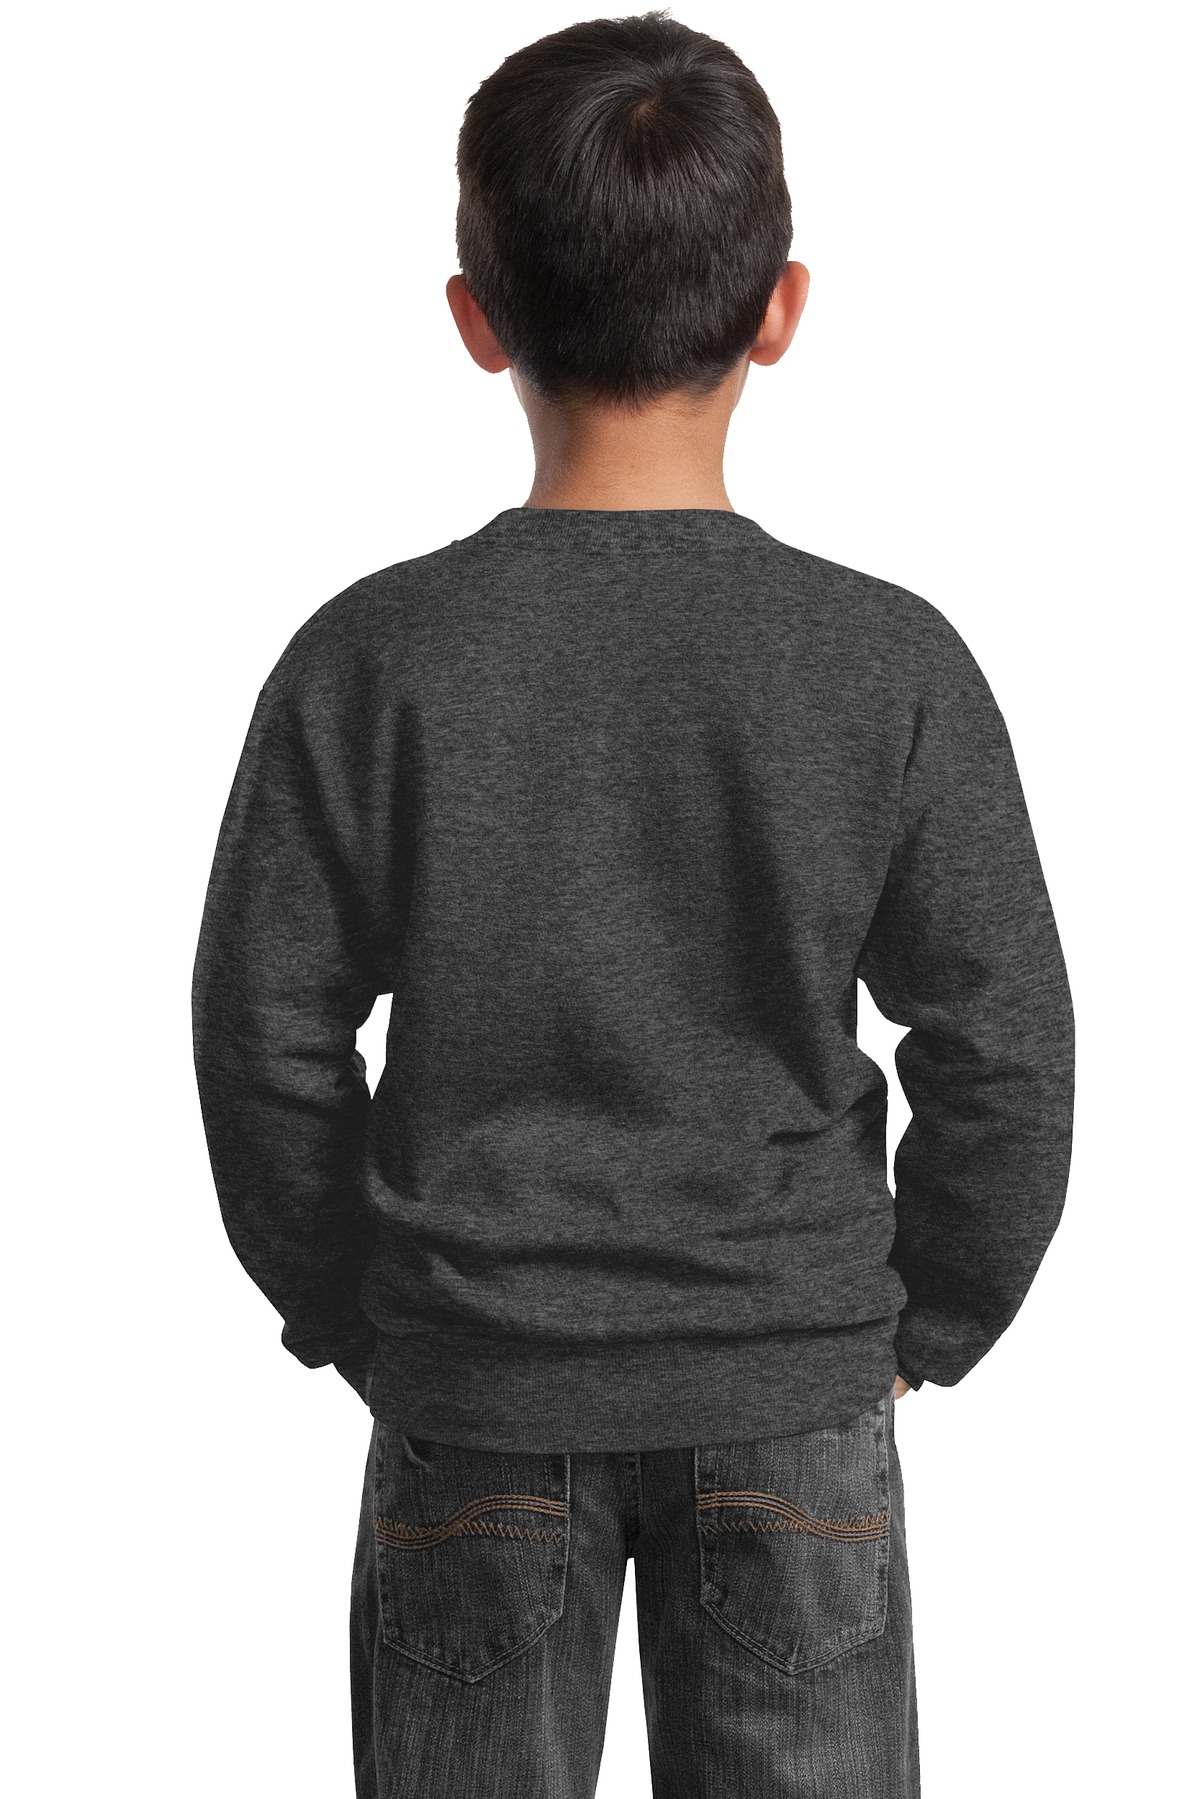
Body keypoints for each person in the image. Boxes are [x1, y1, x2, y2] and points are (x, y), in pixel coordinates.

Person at [190, 12, 1075, 1796]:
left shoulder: (369, 659)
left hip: (474, 1392)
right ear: (782, 309)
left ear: (477, 318)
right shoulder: (888, 663)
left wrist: (356, 1312)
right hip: (792, 1392)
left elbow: (261, 1032)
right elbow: (1005, 1048)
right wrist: (931, 1323)